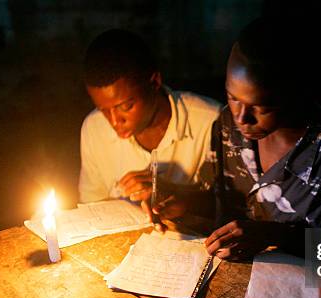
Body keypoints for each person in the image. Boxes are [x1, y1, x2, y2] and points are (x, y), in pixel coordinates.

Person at [152, 18, 321, 259]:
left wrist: (275, 235)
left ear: (294, 95)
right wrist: (182, 203)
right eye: (232, 97)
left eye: (261, 106)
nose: (241, 117)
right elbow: (215, 199)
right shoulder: (226, 125)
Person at [79, 29, 222, 225]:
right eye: (103, 109)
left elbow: (235, 210)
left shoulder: (210, 123)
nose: (114, 121)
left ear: (154, 81)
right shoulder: (94, 128)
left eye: (126, 107)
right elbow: (91, 206)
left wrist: (174, 194)